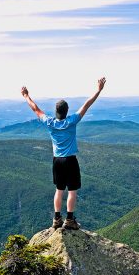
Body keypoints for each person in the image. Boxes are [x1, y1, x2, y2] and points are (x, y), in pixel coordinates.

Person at [21, 77, 106, 230]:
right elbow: (87, 105)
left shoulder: (50, 122)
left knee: (59, 190)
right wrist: (98, 90)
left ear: (56, 111)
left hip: (57, 161)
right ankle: (70, 220)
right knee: (72, 191)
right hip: (70, 160)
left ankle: (56, 219)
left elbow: (35, 109)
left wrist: (26, 95)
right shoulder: (72, 121)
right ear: (67, 111)